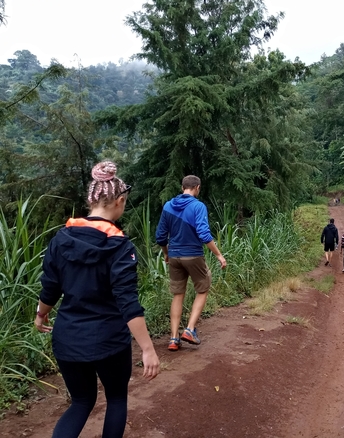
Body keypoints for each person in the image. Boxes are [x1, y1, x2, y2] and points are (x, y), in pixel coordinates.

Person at [35, 160, 160, 438]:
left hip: (68, 338)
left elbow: (50, 287)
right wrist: (148, 349)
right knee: (116, 399)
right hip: (109, 340)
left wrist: (41, 314)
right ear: (119, 201)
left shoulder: (61, 238)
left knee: (81, 402)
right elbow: (128, 303)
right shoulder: (120, 245)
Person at [156, 175, 227, 351]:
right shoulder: (198, 206)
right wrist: (219, 255)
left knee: (178, 295)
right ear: (197, 188)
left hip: (174, 255)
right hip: (193, 255)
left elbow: (160, 236)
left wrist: (166, 254)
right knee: (203, 288)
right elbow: (204, 234)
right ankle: (189, 330)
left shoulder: (168, 206)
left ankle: (173, 339)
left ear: (182, 188)